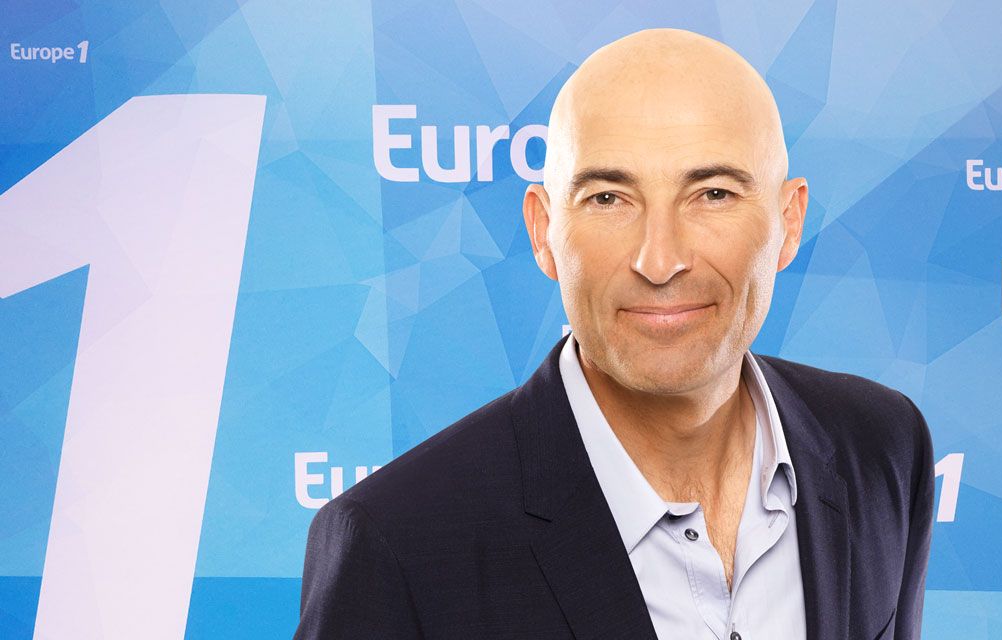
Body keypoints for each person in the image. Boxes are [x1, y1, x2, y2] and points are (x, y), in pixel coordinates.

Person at [296, 27, 934, 640]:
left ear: (788, 223)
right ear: (544, 232)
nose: (661, 261)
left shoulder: (883, 444)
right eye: (608, 198)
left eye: (712, 194)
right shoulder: (397, 543)